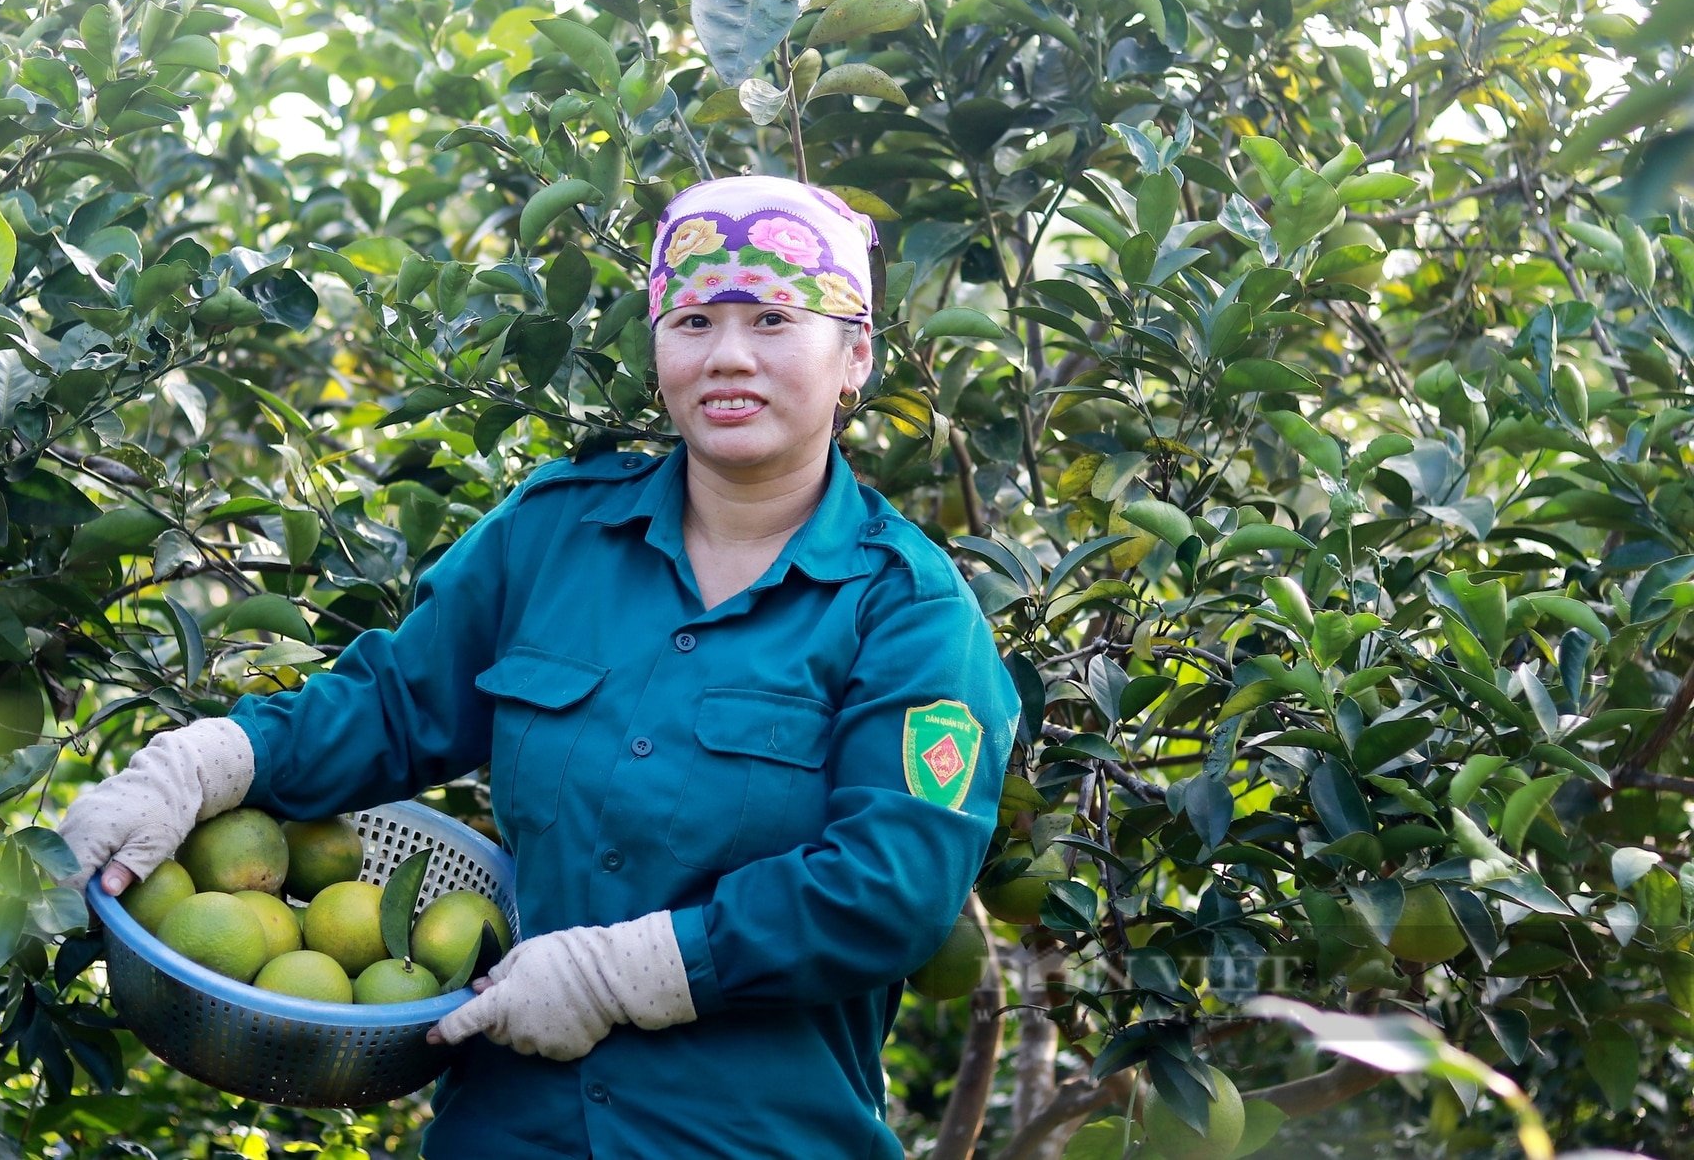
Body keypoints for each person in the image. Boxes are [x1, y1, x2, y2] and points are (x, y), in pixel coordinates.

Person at [58, 174, 1020, 1158]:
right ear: (658, 349)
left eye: (773, 317)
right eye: (690, 319)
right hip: (511, 1130)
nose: (727, 354)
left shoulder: (908, 609)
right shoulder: (553, 535)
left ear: (852, 353)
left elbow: (889, 885)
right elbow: (395, 702)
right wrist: (207, 761)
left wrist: (632, 970)